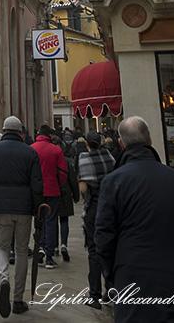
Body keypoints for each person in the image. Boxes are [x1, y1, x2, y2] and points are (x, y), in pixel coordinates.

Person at [95, 116, 174, 322]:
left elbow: (104, 238)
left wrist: (112, 277)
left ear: (121, 144)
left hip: (132, 280)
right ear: (150, 141)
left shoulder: (113, 183)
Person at [0, 115, 43, 318]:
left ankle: (3, 279)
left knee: (2, 247)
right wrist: (37, 211)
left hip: (1, 206)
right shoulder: (30, 152)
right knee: (22, 250)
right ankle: (17, 299)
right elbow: (37, 186)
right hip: (24, 209)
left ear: (4, 131)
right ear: (21, 133)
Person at [75, 130, 115, 307]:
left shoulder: (85, 158)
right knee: (109, 248)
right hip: (109, 206)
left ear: (87, 144)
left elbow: (83, 188)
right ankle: (111, 289)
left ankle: (94, 294)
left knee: (94, 250)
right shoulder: (109, 156)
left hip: (94, 207)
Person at [31, 123, 67, 268]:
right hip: (52, 189)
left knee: (38, 220)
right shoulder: (56, 150)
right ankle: (50, 255)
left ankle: (40, 248)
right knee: (51, 221)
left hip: (36, 191)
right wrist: (58, 183)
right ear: (49, 135)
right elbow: (63, 172)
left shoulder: (31, 149)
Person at [56, 142, 79, 262]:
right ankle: (63, 244)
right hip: (65, 193)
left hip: (52, 192)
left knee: (52, 220)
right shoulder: (66, 161)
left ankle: (54, 245)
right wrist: (76, 196)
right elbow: (73, 179)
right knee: (64, 220)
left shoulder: (49, 158)